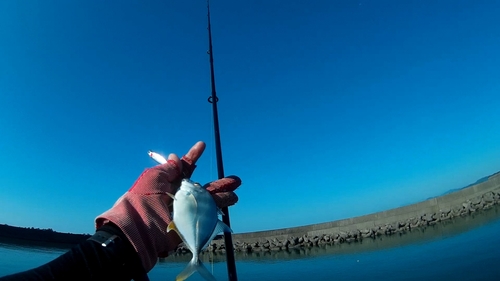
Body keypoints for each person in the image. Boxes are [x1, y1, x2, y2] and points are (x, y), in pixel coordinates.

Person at [0, 141, 241, 281]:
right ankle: (194, 259)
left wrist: (127, 235)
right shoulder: (182, 193)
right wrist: (131, 237)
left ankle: (193, 259)